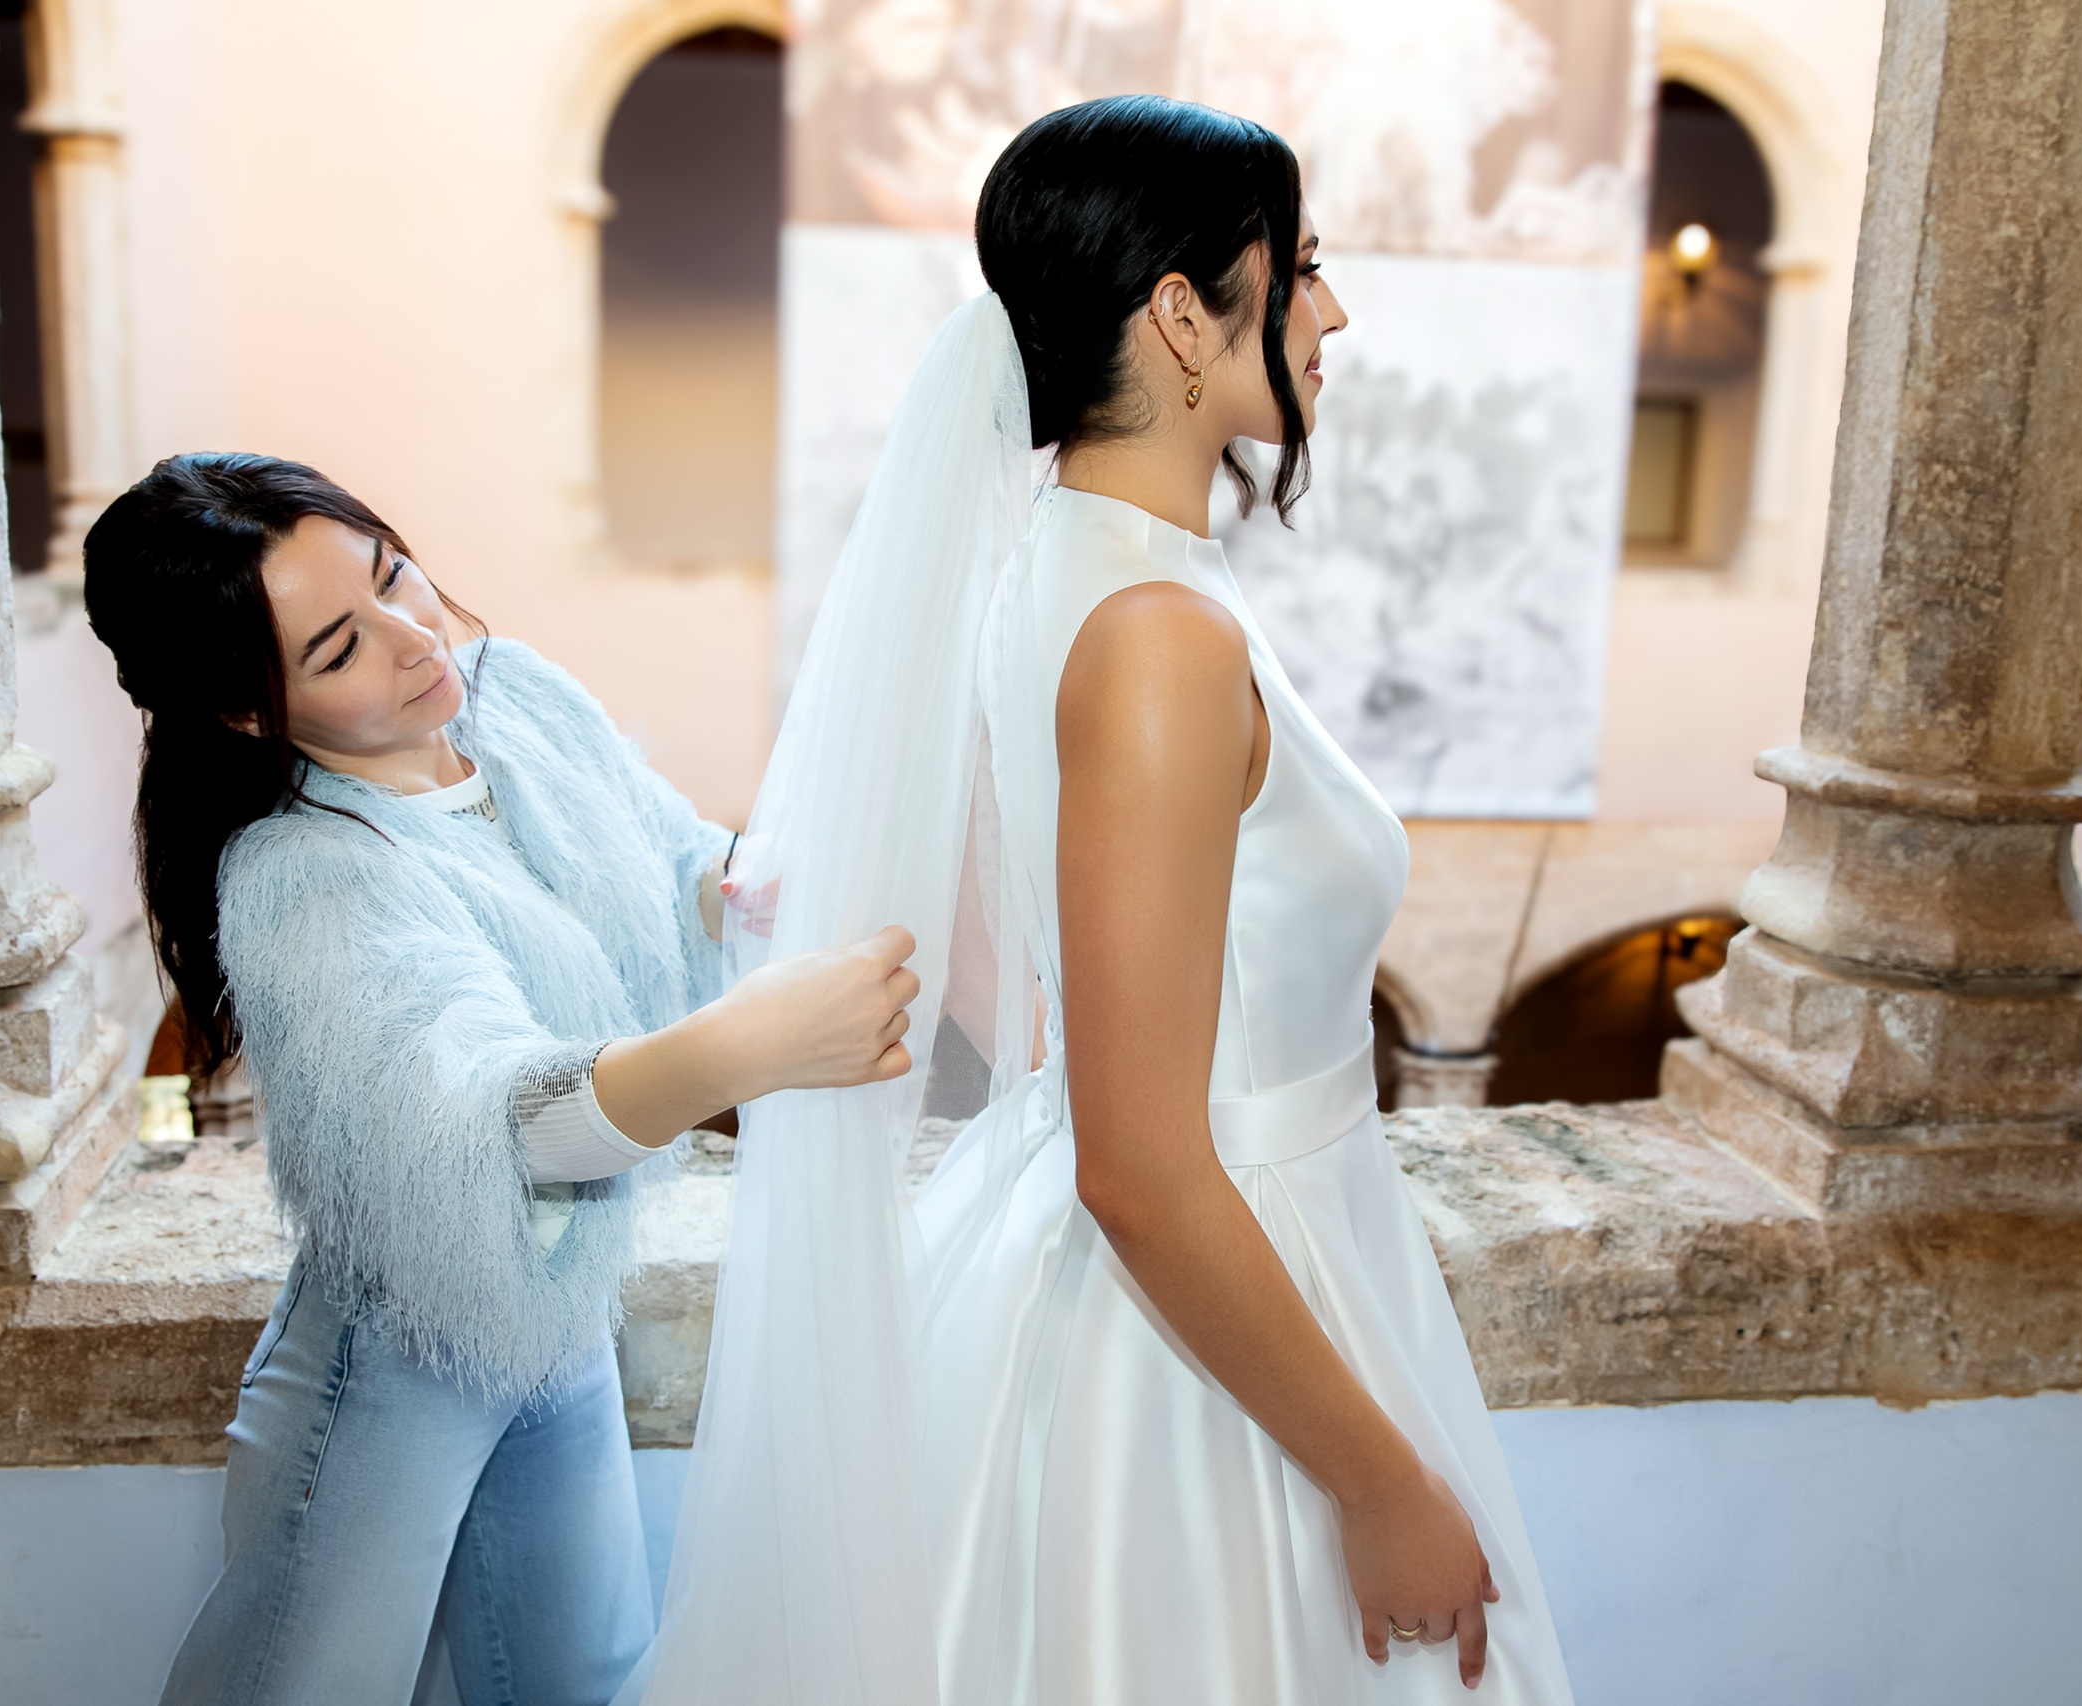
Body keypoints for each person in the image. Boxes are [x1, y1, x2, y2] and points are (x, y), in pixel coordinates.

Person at [643, 96, 1576, 1702]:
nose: (1333, 312)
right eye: (1299, 273)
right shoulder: (1154, 634)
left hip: (1267, 1244)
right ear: (1180, 318)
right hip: (1209, 1312)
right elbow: (1140, 1166)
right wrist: (1379, 1483)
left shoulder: (1085, 565)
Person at [81, 454, 918, 1706]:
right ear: (251, 712)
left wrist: (757, 883)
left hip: (553, 1320)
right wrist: (742, 1045)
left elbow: (668, 856)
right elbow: (488, 1123)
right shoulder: (305, 877)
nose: (417, 635)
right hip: (393, 1353)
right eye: (339, 649)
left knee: (584, 1682)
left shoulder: (514, 697)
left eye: (392, 571)